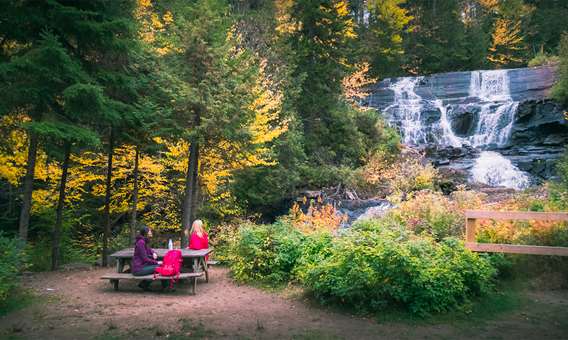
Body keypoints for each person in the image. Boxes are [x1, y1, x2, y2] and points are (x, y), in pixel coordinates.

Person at [132, 226, 164, 291]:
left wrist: (153, 253)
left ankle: (144, 284)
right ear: (146, 233)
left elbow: (149, 249)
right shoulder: (141, 242)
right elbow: (145, 259)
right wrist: (157, 262)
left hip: (142, 266)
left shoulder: (143, 241)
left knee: (160, 266)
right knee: (160, 267)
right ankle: (165, 287)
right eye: (149, 231)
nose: (151, 232)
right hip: (138, 269)